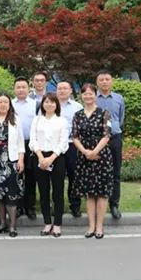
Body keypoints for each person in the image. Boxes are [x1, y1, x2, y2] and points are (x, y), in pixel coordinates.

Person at [72, 83, 113, 239]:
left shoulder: (104, 113)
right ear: (81, 96)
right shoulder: (78, 115)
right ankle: (91, 226)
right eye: (85, 94)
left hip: (102, 157)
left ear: (95, 95)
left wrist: (95, 151)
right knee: (89, 194)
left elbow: (107, 135)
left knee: (102, 193)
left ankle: (100, 227)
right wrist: (85, 152)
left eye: (91, 93)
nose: (88, 96)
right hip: (84, 157)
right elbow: (75, 136)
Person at [30, 92, 69, 237]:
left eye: (52, 102)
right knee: (43, 191)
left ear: (56, 104)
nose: (49, 104)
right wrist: (41, 157)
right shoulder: (37, 120)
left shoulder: (62, 121)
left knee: (58, 192)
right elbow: (33, 140)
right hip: (39, 157)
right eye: (46, 102)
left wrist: (51, 158)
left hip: (57, 158)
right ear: (42, 104)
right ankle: (47, 222)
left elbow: (63, 142)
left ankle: (57, 224)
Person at [0, 93, 24, 238]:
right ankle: (2, 223)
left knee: (11, 195)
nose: (3, 105)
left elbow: (20, 142)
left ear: (9, 105)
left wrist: (21, 160)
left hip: (11, 162)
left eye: (6, 102)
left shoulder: (15, 120)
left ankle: (12, 226)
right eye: (0, 102)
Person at [95, 69, 125, 220]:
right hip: (97, 140)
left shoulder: (119, 98)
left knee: (115, 172)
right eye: (101, 79)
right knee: (97, 172)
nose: (104, 82)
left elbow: (120, 118)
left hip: (114, 139)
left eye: (107, 79)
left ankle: (114, 204)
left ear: (111, 81)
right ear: (97, 82)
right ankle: (97, 202)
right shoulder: (92, 98)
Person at [12, 77, 38, 220]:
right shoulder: (9, 104)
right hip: (14, 145)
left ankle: (30, 206)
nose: (21, 89)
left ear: (28, 89)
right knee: (16, 176)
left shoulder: (35, 104)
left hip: (31, 144)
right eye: (18, 87)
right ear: (14, 89)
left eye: (23, 87)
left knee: (31, 177)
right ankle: (18, 206)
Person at [56, 81, 83, 218]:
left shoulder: (77, 107)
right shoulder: (51, 105)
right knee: (57, 178)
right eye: (59, 88)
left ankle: (75, 205)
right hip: (56, 147)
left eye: (65, 88)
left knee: (74, 176)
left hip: (72, 145)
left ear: (71, 90)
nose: (62, 91)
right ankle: (58, 206)